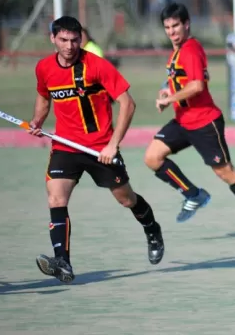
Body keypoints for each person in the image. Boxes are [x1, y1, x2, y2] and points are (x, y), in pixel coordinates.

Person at [29, 16, 165, 283]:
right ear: (53, 39)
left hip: (100, 147)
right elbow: (44, 97)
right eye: (64, 40)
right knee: (56, 198)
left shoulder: (96, 66)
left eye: (75, 40)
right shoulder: (44, 68)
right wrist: (37, 121)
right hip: (65, 146)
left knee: (126, 199)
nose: (69, 46)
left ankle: (152, 228)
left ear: (82, 39)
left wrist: (112, 144)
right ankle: (63, 262)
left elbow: (128, 104)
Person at [143, 2, 235, 239]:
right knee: (152, 158)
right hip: (183, 121)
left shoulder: (190, 49)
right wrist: (168, 90)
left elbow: (197, 85)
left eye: (176, 26)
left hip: (205, 123)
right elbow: (187, 78)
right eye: (167, 27)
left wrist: (170, 97)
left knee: (225, 172)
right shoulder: (178, 50)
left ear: (186, 24)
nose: (172, 31)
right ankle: (193, 194)